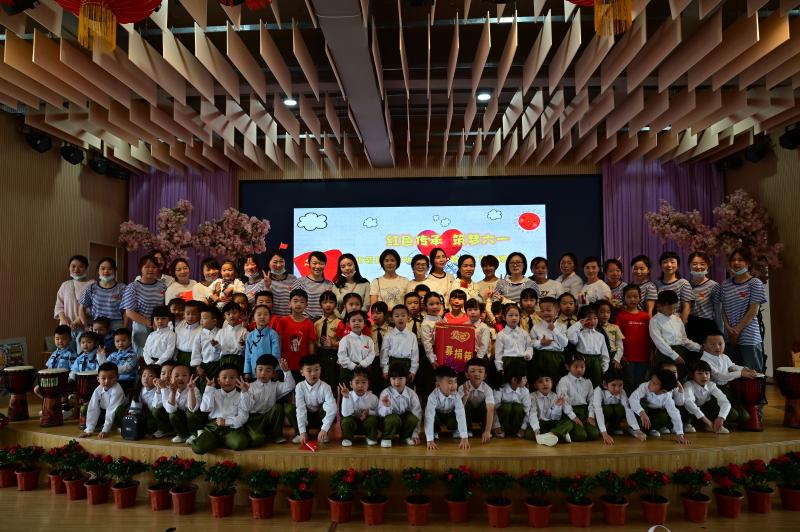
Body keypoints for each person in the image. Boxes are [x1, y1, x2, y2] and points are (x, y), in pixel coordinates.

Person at [699, 330, 760, 425]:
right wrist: (741, 373)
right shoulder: (704, 360)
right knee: (733, 415)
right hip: (711, 392)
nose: (717, 347)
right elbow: (719, 377)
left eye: (720, 344)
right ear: (705, 346)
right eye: (713, 344)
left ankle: (723, 419)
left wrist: (745, 369)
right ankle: (710, 421)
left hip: (725, 389)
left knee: (745, 416)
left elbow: (732, 367)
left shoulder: (724, 357)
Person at [722, 248, 767, 373]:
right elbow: (723, 309)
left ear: (748, 263)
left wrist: (737, 330)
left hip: (749, 337)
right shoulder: (725, 284)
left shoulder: (755, 283)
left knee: (752, 374)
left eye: (740, 260)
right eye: (733, 260)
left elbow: (754, 310)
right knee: (733, 374)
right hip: (729, 336)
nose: (736, 263)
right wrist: (728, 327)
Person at [191, 365, 252, 453]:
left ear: (237, 380)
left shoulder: (241, 395)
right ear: (219, 381)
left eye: (232, 378)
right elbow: (204, 409)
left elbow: (243, 417)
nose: (227, 380)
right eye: (224, 377)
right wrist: (209, 389)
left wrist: (226, 422)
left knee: (240, 443)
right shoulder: (213, 392)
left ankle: (221, 441)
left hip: (231, 427)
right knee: (197, 447)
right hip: (213, 427)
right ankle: (212, 439)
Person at [241, 355, 294, 446]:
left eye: (268, 371)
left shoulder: (275, 385)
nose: (263, 373)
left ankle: (277, 435)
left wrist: (286, 371)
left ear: (273, 373)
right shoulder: (249, 386)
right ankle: (260, 433)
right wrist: (244, 392)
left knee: (278, 407)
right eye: (260, 369)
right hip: (254, 420)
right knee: (257, 440)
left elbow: (290, 386)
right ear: (255, 371)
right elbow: (245, 408)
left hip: (268, 417)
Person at [286, 355, 337, 445]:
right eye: (309, 371)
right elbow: (300, 409)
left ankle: (322, 433)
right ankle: (300, 434)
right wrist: (302, 431)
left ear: (320, 370)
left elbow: (333, 408)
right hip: (306, 416)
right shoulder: (300, 387)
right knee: (289, 409)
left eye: (316, 369)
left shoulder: (326, 387)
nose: (313, 374)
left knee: (327, 407)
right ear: (302, 372)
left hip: (319, 418)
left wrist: (324, 429)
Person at [649, 290, 702, 378]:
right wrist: (674, 356)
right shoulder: (655, 321)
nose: (672, 311)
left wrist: (698, 348)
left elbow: (683, 339)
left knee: (681, 377)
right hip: (665, 354)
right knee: (667, 379)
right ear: (659, 306)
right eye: (670, 308)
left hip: (681, 352)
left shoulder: (677, 319)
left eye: (674, 308)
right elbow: (659, 342)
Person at [122, 254, 167, 355]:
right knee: (142, 356)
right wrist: (150, 324)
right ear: (141, 269)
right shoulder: (133, 287)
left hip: (159, 324)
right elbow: (129, 312)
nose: (150, 269)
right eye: (146, 267)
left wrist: (158, 324)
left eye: (154, 267)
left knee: (158, 354)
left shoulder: (162, 286)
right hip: (141, 326)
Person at [628, 369, 688, 444]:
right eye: (651, 380)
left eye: (654, 383)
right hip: (643, 412)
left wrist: (680, 434)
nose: (650, 383)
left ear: (663, 391)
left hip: (654, 414)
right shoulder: (645, 386)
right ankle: (634, 429)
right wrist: (641, 412)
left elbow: (675, 414)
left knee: (664, 416)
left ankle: (651, 429)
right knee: (640, 405)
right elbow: (632, 398)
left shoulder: (667, 397)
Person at [556, 354, 601, 442]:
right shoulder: (564, 381)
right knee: (581, 436)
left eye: (582, 367)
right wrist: (573, 417)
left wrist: (591, 416)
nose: (579, 369)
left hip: (584, 412)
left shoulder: (588, 382)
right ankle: (565, 433)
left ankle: (580, 429)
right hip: (570, 412)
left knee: (594, 434)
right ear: (567, 367)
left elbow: (592, 400)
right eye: (576, 366)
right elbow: (564, 402)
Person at [616, 285, 652, 392]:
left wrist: (651, 353)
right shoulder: (621, 316)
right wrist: (621, 355)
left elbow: (651, 337)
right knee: (629, 382)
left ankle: (639, 401)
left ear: (640, 298)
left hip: (644, 356)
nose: (632, 299)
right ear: (624, 298)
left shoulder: (646, 317)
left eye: (635, 296)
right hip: (628, 357)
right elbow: (618, 337)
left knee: (641, 382)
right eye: (629, 297)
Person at [425, 365, 470, 450]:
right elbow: (429, 417)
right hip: (437, 416)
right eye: (450, 382)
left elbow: (461, 415)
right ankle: (434, 432)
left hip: (449, 415)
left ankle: (457, 430)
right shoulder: (432, 397)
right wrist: (429, 440)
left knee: (461, 414)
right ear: (438, 385)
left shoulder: (456, 396)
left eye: (455, 381)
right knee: (430, 416)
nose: (454, 385)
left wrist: (464, 437)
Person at [683, 360, 734, 434]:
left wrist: (721, 418)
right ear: (692, 375)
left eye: (707, 373)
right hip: (691, 412)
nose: (704, 376)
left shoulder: (711, 385)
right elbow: (689, 402)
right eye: (699, 373)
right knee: (687, 406)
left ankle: (713, 425)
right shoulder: (688, 385)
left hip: (703, 410)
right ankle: (687, 424)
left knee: (729, 411)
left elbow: (724, 401)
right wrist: (707, 421)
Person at [276, 289, 317, 381]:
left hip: (303, 365)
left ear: (306, 305)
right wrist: (278, 359)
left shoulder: (309, 323)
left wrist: (311, 361)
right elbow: (279, 341)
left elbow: (311, 343)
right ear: (289, 303)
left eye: (302, 302)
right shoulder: (282, 321)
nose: (298, 304)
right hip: (285, 363)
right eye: (295, 301)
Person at [79, 362, 128, 439]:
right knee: (85, 408)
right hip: (104, 411)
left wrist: (105, 430)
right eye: (103, 378)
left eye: (111, 378)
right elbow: (93, 408)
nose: (107, 381)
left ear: (117, 377)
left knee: (119, 410)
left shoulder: (117, 390)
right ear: (98, 379)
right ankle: (98, 425)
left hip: (116, 413)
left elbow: (111, 410)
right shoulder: (98, 389)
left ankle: (118, 426)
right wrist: (89, 430)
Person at [378, 362, 422, 447]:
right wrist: (386, 406)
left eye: (401, 378)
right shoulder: (385, 393)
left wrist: (415, 434)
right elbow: (380, 414)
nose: (397, 382)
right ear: (389, 379)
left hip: (403, 424)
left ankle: (405, 436)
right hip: (389, 424)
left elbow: (417, 414)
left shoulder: (411, 394)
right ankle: (387, 438)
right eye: (393, 378)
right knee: (393, 419)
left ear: (406, 379)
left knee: (413, 418)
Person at [79, 257, 126, 332]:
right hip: (97, 326)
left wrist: (124, 328)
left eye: (110, 269)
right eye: (103, 268)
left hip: (116, 326)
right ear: (98, 270)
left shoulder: (122, 288)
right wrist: (85, 326)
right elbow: (81, 309)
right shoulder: (91, 287)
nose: (106, 271)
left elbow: (127, 310)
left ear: (114, 271)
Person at [590, 368, 636, 445]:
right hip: (601, 416)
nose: (617, 389)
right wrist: (604, 433)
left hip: (613, 415)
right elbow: (598, 410)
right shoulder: (598, 391)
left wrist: (636, 429)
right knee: (608, 409)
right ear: (605, 384)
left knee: (621, 408)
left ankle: (614, 427)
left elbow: (628, 408)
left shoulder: (622, 392)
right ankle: (601, 428)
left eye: (620, 385)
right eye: (613, 385)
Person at [159, 364, 203, 443]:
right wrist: (173, 393)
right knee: (173, 415)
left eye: (184, 375)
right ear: (171, 379)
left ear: (189, 377)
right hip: (182, 418)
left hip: (194, 417)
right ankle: (183, 435)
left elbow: (193, 408)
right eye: (176, 376)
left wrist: (191, 391)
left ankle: (194, 434)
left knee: (190, 413)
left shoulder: (194, 389)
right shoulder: (168, 389)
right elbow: (170, 410)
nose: (180, 378)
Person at [525, 373, 574, 444]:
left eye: (547, 380)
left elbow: (555, 417)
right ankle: (560, 434)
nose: (545, 384)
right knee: (528, 432)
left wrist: (557, 406)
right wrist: (536, 429)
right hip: (539, 423)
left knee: (569, 423)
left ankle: (551, 435)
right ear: (535, 385)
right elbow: (532, 414)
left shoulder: (555, 396)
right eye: (540, 381)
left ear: (552, 383)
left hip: (551, 423)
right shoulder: (532, 396)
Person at [567, 305, 609, 387]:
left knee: (596, 385)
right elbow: (569, 335)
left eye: (595, 318)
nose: (592, 321)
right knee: (581, 385)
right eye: (588, 319)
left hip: (596, 364)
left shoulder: (600, 336)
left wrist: (604, 369)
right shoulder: (579, 333)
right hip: (582, 362)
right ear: (582, 319)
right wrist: (579, 324)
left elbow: (605, 355)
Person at [54, 255, 94, 341]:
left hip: (84, 327)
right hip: (66, 328)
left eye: (80, 266)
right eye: (73, 266)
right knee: (66, 349)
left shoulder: (92, 284)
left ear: (86, 268)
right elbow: (59, 305)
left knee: (83, 349)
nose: (76, 269)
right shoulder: (65, 285)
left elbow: (92, 307)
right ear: (69, 268)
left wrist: (77, 321)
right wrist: (63, 320)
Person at [530, 296, 568, 384]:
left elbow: (565, 343)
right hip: (540, 357)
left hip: (557, 358)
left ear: (557, 311)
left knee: (557, 382)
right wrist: (540, 342)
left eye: (548, 310)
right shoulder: (536, 327)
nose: (545, 313)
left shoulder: (562, 326)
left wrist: (554, 330)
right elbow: (530, 343)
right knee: (542, 382)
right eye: (542, 311)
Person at [686, 252, 722, 343]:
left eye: (702, 264)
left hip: (707, 327)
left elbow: (718, 313)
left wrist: (721, 334)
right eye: (694, 264)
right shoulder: (685, 285)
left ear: (707, 265)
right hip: (689, 327)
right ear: (689, 265)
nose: (698, 267)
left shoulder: (714, 286)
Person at [338, 367, 380, 447]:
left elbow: (379, 412)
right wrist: (346, 397)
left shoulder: (373, 397)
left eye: (364, 382)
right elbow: (345, 414)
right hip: (352, 426)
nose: (360, 385)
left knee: (373, 419)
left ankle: (371, 437)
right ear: (351, 384)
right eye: (357, 382)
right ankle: (347, 438)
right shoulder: (348, 395)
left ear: (368, 384)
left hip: (366, 425)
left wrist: (369, 412)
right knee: (346, 420)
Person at [459, 357, 495, 443]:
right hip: (468, 414)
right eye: (472, 371)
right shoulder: (462, 387)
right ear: (467, 375)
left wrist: (487, 431)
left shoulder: (488, 389)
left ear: (485, 376)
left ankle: (484, 430)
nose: (476, 374)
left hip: (480, 413)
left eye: (480, 371)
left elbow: (490, 409)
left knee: (486, 406)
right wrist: (465, 396)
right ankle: (467, 429)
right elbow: (459, 409)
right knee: (465, 404)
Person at [381, 304, 419, 382]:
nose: (400, 318)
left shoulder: (412, 336)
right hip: (392, 366)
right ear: (392, 318)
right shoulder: (388, 335)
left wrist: (413, 371)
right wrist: (385, 370)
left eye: (403, 315)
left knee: (406, 387)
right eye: (397, 316)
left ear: (408, 317)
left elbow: (415, 355)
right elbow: (384, 353)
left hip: (407, 366)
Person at [492, 365, 532, 439]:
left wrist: (523, 428)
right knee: (506, 407)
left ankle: (515, 431)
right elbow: (493, 409)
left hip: (517, 426)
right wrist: (496, 426)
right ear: (514, 379)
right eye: (524, 378)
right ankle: (501, 430)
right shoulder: (500, 389)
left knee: (518, 407)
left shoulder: (525, 391)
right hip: (501, 424)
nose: (526, 380)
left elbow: (528, 411)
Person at [243, 305, 281, 381]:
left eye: (265, 314)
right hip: (254, 370)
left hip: (269, 371)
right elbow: (247, 355)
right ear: (253, 318)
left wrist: (276, 369)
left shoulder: (273, 334)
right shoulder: (250, 335)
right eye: (259, 314)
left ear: (269, 318)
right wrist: (247, 371)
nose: (262, 317)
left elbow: (276, 353)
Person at [292, 251, 334, 320]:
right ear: (309, 264)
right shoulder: (300, 282)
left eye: (321, 264)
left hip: (323, 321)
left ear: (325, 264)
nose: (317, 266)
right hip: (304, 321)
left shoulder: (329, 285)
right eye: (314, 263)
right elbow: (292, 304)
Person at [494, 303, 533, 376]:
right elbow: (498, 353)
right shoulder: (501, 335)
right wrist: (500, 368)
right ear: (504, 317)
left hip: (522, 361)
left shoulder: (524, 333)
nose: (514, 318)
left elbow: (529, 346)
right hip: (507, 362)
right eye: (511, 315)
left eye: (516, 315)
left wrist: (528, 354)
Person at [337, 310, 375, 384]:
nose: (357, 323)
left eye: (360, 321)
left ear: (364, 324)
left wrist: (363, 364)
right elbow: (342, 356)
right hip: (348, 369)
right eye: (353, 321)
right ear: (348, 324)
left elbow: (371, 354)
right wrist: (353, 366)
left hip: (364, 369)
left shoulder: (368, 340)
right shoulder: (345, 340)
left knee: (363, 389)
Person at [656, 251, 695, 322]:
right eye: (665, 262)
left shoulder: (683, 283)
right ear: (661, 265)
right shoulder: (656, 284)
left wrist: (681, 325)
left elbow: (686, 307)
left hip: (676, 322)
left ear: (678, 265)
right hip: (659, 322)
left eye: (672, 262)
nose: (669, 265)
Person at [213, 301, 248, 372]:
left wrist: (243, 346)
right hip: (224, 360)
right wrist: (216, 345)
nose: (231, 316)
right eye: (228, 314)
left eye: (234, 313)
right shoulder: (221, 332)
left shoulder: (244, 331)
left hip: (239, 360)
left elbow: (248, 350)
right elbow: (216, 351)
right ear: (224, 316)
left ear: (240, 314)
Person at [190, 306, 222, 382]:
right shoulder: (199, 334)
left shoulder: (221, 332)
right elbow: (196, 351)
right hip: (204, 366)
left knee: (217, 384)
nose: (201, 320)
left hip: (219, 364)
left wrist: (217, 346)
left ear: (214, 321)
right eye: (201, 318)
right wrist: (198, 367)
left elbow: (223, 349)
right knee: (205, 385)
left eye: (204, 318)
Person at [259, 251, 296, 317]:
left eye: (281, 261)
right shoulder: (264, 281)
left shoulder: (293, 278)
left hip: (289, 318)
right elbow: (262, 303)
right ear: (268, 264)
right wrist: (267, 287)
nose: (279, 265)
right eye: (275, 262)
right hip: (272, 319)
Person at [136, 364, 166, 435]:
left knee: (148, 426)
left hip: (156, 417)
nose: (146, 378)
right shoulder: (141, 389)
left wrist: (158, 389)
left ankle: (163, 429)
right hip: (145, 415)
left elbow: (156, 406)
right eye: (144, 376)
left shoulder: (160, 390)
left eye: (150, 376)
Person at [596, 300, 624, 368]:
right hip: (599, 357)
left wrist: (617, 359)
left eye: (608, 312)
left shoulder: (615, 327)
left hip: (613, 357)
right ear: (596, 312)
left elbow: (620, 346)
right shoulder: (594, 328)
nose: (605, 315)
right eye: (602, 312)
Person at [174, 300, 203, 367]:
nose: (190, 317)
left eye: (194, 314)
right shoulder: (180, 326)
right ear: (184, 313)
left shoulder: (202, 329)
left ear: (199, 315)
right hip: (179, 355)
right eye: (187, 314)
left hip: (194, 356)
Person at [151, 362, 176, 438]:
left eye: (170, 373)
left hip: (176, 412)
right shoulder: (161, 386)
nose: (166, 376)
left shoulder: (176, 387)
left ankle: (180, 432)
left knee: (173, 414)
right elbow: (156, 405)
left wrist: (164, 388)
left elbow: (170, 408)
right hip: (167, 413)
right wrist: (158, 388)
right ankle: (165, 429)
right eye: (163, 373)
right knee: (155, 410)